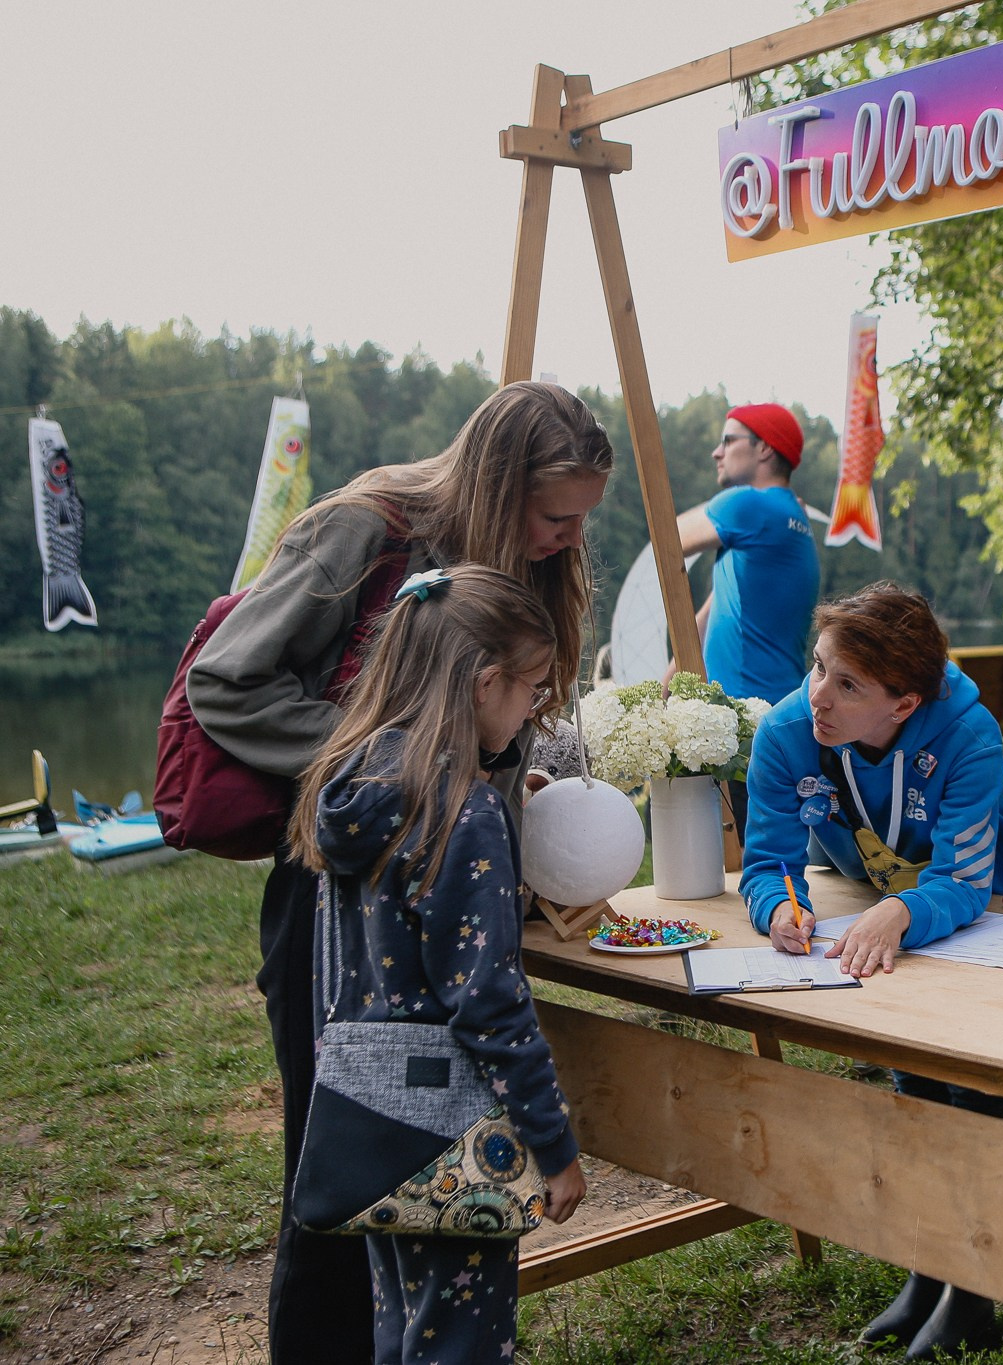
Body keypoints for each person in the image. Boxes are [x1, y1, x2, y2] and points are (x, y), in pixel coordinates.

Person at [187, 380, 610, 1363]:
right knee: (337, 1175)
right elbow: (227, 680)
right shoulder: (364, 531)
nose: (566, 537)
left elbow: (508, 735)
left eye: (581, 518)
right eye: (554, 515)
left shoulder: (532, 563)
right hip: (346, 891)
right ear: (499, 484)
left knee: (425, 1201)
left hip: (458, 894)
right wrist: (401, 752)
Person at [288, 564, 586, 1364]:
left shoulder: (352, 782)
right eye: (531, 690)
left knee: (404, 1326)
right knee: (460, 1339)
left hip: (366, 1117)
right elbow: (490, 1000)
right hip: (450, 1137)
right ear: (486, 682)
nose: (533, 709)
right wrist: (553, 1146)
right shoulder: (467, 810)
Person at [740, 582, 1003, 1359]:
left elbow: (969, 882)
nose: (819, 697)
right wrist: (777, 909)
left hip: (974, 916)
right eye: (818, 667)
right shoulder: (787, 729)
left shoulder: (967, 732)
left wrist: (902, 911)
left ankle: (976, 1289)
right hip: (878, 906)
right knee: (908, 1080)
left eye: (847, 685)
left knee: (969, 1085)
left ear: (903, 705)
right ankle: (928, 1266)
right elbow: (766, 861)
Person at [673, 401, 821, 707]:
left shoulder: (750, 505)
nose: (717, 452)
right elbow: (716, 610)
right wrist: (665, 687)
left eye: (728, 441)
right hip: (777, 711)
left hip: (744, 721)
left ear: (764, 449)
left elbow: (666, 538)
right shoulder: (789, 517)